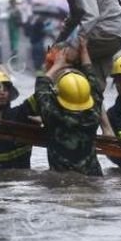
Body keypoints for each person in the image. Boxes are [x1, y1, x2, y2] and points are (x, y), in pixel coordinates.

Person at [28, 0, 121, 91]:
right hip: (108, 34)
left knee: (60, 58)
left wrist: (73, 46)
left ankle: (51, 101)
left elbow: (91, 16)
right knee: (94, 84)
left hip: (105, 33)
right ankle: (93, 111)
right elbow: (74, 17)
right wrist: (58, 41)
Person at [34, 36, 103, 175]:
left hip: (61, 183)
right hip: (93, 178)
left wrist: (56, 65)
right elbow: (96, 87)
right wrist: (85, 53)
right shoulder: (94, 115)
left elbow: (41, 87)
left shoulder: (54, 117)